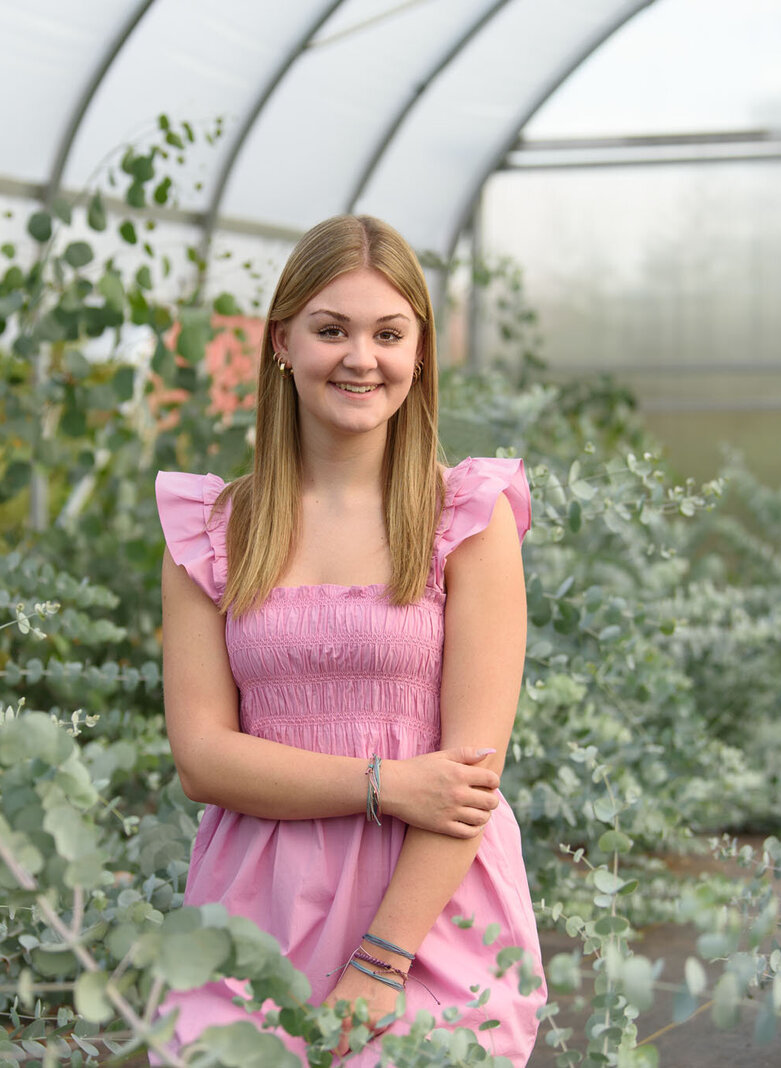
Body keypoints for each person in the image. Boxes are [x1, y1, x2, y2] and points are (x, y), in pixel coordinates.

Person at [155, 214, 543, 1064]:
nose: (361, 358)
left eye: (388, 333)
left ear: (420, 353)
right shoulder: (215, 527)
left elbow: (469, 784)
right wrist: (387, 783)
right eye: (332, 330)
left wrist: (382, 958)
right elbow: (202, 759)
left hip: (429, 912)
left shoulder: (469, 520)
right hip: (254, 904)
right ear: (282, 343)